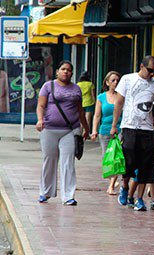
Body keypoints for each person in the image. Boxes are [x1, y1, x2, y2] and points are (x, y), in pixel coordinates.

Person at [110, 55, 154, 211]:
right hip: (129, 127)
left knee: (145, 165)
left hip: (147, 129)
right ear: (141, 66)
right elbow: (119, 102)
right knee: (128, 162)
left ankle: (139, 199)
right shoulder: (127, 79)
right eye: (150, 70)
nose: (152, 74)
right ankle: (125, 186)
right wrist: (115, 125)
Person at [36, 60, 90, 205]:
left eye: (69, 70)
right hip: (49, 129)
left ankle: (68, 196)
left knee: (68, 163)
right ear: (57, 71)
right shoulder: (48, 86)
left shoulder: (76, 89)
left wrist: (86, 127)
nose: (66, 72)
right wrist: (40, 120)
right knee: (49, 160)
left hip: (70, 130)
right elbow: (41, 105)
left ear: (72, 73)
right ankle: (45, 192)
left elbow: (80, 111)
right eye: (63, 69)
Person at [91, 71, 122, 195]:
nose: (116, 83)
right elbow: (97, 115)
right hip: (104, 131)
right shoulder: (101, 97)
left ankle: (111, 186)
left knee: (117, 157)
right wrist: (94, 130)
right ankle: (112, 180)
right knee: (107, 158)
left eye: (118, 80)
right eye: (113, 80)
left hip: (119, 130)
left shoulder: (122, 96)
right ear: (107, 82)